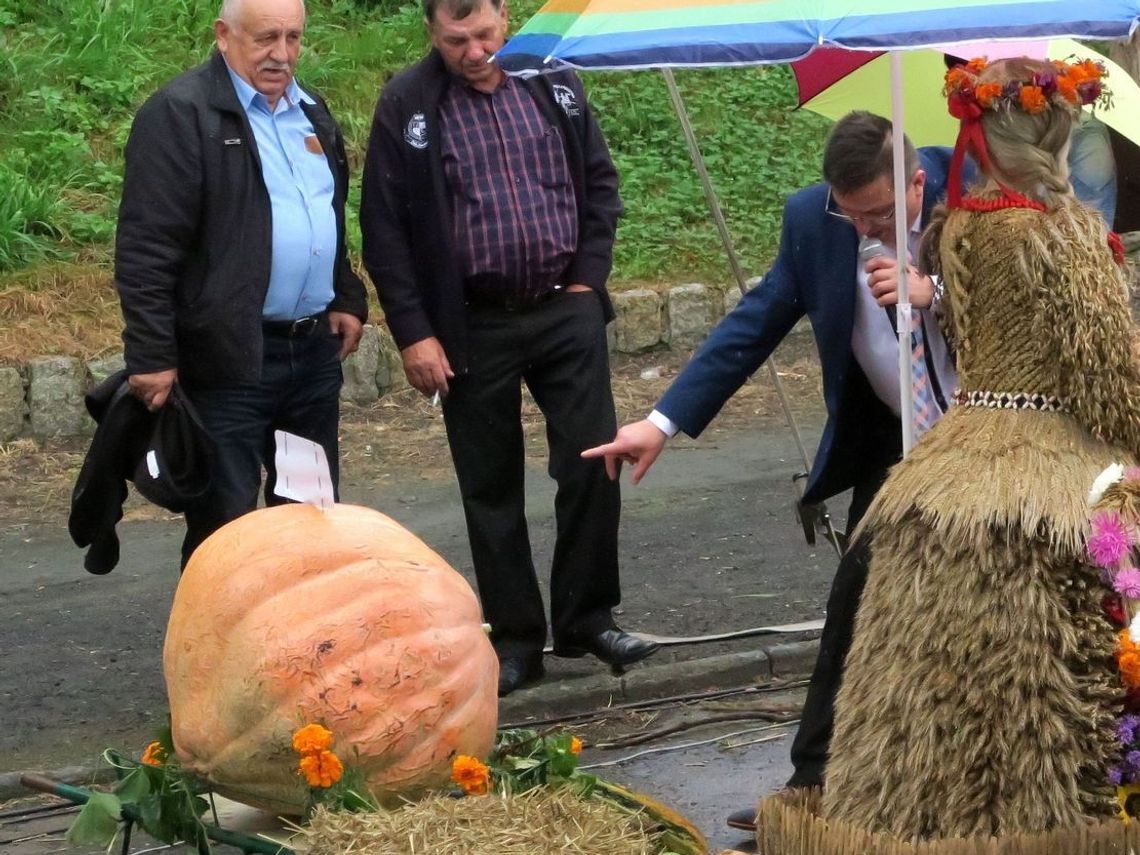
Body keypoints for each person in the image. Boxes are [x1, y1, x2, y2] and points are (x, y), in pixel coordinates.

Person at [584, 111, 961, 830]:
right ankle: (813, 786)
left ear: (917, 182)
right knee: (855, 605)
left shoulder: (975, 193)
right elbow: (753, 324)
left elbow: (1033, 306)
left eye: (880, 213)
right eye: (851, 214)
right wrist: (660, 422)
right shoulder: (815, 220)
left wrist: (932, 294)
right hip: (899, 452)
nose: (864, 230)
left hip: (990, 441)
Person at [803, 57, 1140, 842]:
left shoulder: (956, 230)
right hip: (1053, 460)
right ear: (1057, 135)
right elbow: (1106, 369)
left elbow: (963, 330)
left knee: (931, 648)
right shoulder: (1066, 237)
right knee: (1085, 613)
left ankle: (918, 804)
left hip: (963, 451)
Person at [359, 0, 658, 697]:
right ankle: (516, 636)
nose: (474, 50)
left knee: (592, 462)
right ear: (432, 33)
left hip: (564, 308)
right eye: (457, 39)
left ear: (507, 16)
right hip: (470, 323)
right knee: (491, 487)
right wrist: (413, 331)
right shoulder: (408, 103)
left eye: (487, 34)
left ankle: (587, 616)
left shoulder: (553, 79)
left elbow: (601, 185)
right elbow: (384, 228)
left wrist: (588, 280)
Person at [115, 0, 367, 568]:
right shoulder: (181, 114)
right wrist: (151, 352)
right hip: (227, 362)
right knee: (227, 529)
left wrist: (345, 293)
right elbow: (147, 246)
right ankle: (215, 655)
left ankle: (304, 650)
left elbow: (326, 213)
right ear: (223, 36)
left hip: (307, 360)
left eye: (294, 38)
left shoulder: (312, 113)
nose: (282, 54)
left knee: (310, 517)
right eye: (266, 38)